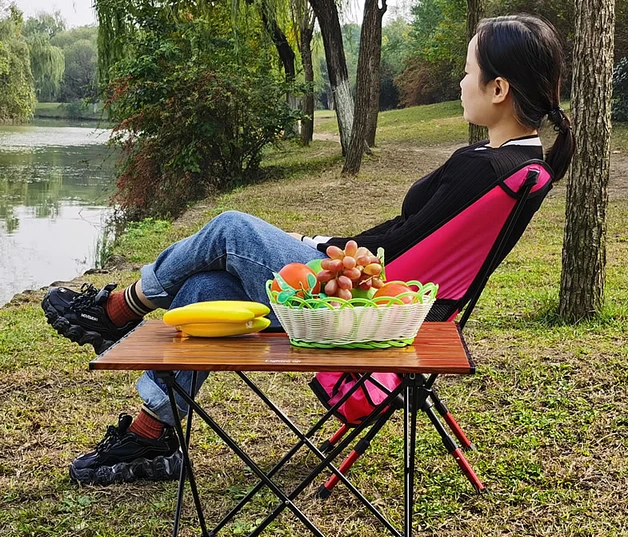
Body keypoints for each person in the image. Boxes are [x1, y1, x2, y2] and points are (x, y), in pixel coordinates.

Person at [43, 14, 575, 485]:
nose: (461, 82)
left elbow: (394, 249)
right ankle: (153, 434)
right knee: (208, 288)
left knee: (230, 228)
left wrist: (318, 248)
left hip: (358, 312)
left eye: (467, 70)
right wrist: (319, 243)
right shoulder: (523, 171)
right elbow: (407, 240)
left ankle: (120, 309)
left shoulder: (485, 169)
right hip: (393, 310)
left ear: (498, 87)